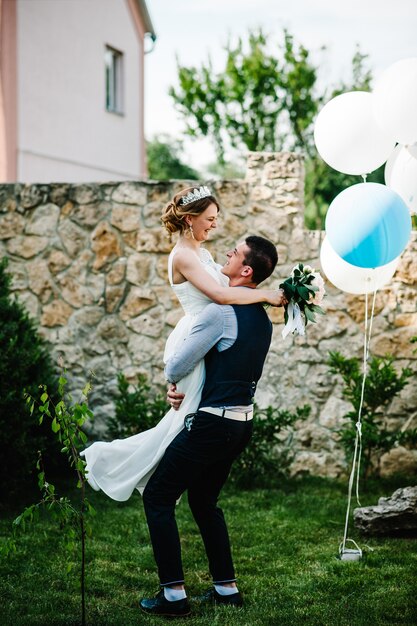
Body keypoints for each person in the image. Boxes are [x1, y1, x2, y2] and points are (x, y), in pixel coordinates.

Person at [81, 186, 285, 501]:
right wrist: (267, 295)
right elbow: (221, 295)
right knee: (186, 420)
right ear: (190, 219)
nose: (214, 225)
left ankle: (166, 479)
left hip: (209, 339)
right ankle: (138, 472)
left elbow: (233, 285)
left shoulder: (202, 255)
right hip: (198, 333)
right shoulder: (183, 257)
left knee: (184, 420)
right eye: (210, 218)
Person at [139, 234, 284, 618]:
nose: (227, 253)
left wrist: (174, 382)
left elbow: (176, 366)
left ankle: (173, 596)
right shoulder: (262, 317)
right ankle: (226, 588)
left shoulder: (220, 313)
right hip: (242, 424)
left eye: (234, 253)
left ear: (245, 270)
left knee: (157, 497)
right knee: (204, 502)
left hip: (212, 424)